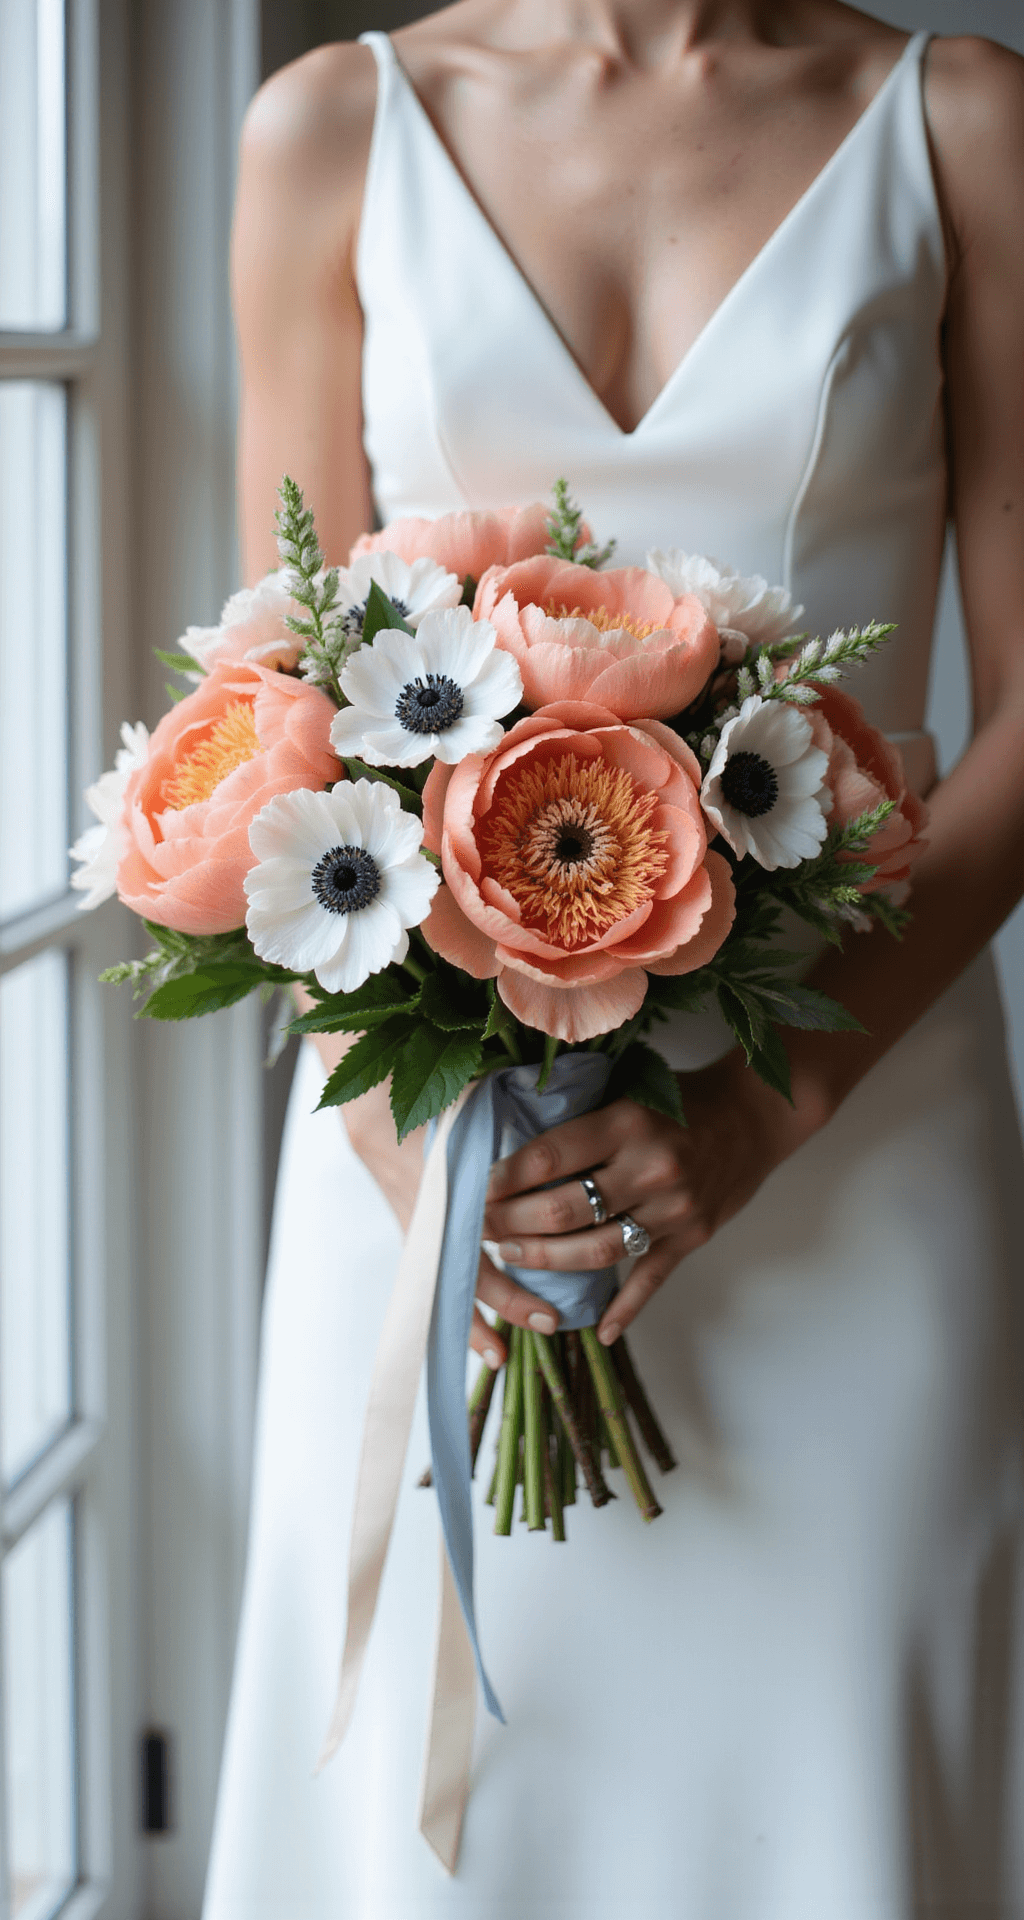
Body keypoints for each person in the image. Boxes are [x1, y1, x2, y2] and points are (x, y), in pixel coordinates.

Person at [203, 2, 1024, 1913]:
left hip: (856, 1149)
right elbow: (279, 702)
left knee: (842, 1814)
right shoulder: (334, 130)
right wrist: (419, 1156)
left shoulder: (964, 128)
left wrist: (763, 1112)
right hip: (431, 1185)